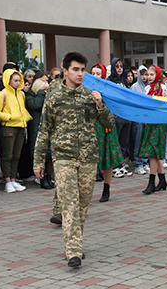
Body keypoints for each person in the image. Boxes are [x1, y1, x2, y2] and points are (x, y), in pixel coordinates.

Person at [34, 52, 114, 268]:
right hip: (63, 158)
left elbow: (109, 123)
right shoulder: (54, 97)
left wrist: (100, 105)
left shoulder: (91, 95)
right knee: (69, 203)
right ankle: (73, 251)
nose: (80, 74)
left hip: (88, 158)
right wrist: (39, 161)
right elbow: (44, 130)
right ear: (65, 70)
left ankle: (76, 242)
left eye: (82, 70)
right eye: (76, 69)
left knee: (82, 205)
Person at [90, 63, 124, 202]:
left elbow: (113, 109)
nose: (95, 76)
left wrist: (100, 103)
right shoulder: (86, 90)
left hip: (105, 127)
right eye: (93, 73)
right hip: (91, 127)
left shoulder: (108, 89)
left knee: (106, 159)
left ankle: (106, 188)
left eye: (98, 74)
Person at [0, 68, 32, 193]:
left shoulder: (21, 94)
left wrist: (25, 118)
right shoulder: (2, 94)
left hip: (20, 127)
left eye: (19, 80)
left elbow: (23, 109)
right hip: (8, 127)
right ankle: (7, 181)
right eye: (15, 80)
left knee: (16, 155)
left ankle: (13, 179)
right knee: (7, 155)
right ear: (8, 80)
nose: (17, 83)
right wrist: (9, 117)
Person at [139, 65, 167, 195]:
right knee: (154, 151)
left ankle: (151, 182)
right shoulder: (147, 89)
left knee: (153, 151)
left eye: (152, 75)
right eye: (148, 75)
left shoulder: (163, 88)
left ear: (157, 75)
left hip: (160, 122)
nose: (149, 77)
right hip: (150, 122)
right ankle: (162, 180)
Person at [26, 74, 52, 188]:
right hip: (36, 129)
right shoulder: (31, 96)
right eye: (44, 89)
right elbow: (36, 105)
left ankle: (48, 177)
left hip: (47, 127)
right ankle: (42, 178)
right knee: (40, 154)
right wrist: (41, 94)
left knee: (49, 154)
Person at [108, 57, 133, 177]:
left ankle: (121, 164)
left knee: (124, 141)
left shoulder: (125, 81)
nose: (119, 68)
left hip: (125, 115)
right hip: (116, 115)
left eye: (121, 66)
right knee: (116, 141)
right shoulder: (110, 81)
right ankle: (115, 166)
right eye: (117, 66)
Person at [130, 65, 150, 175]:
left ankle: (145, 161)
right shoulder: (134, 87)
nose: (144, 77)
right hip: (138, 117)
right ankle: (138, 164)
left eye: (146, 74)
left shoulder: (149, 87)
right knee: (138, 140)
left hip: (147, 117)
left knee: (146, 140)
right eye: (142, 74)